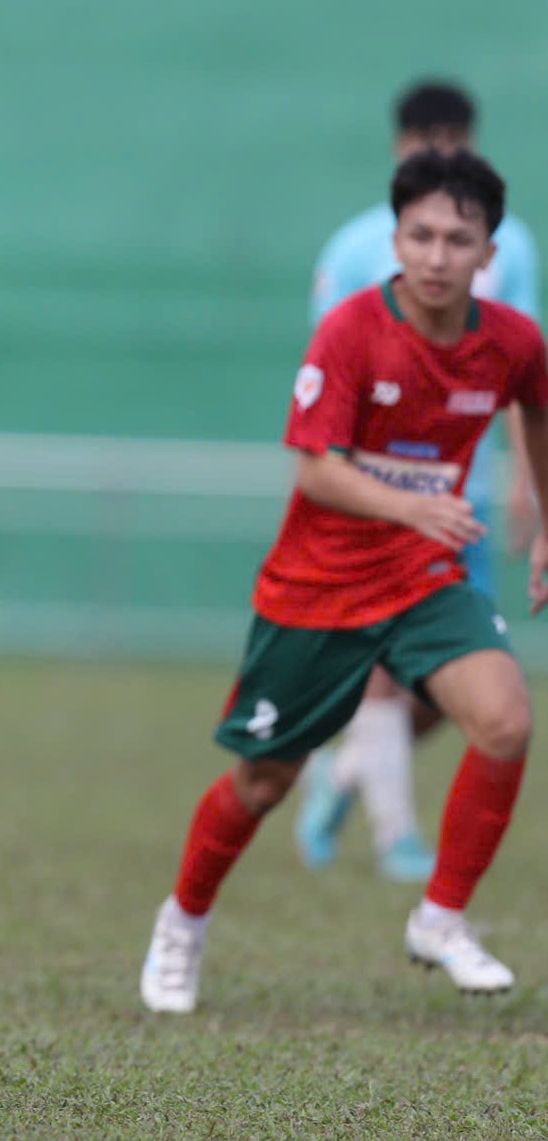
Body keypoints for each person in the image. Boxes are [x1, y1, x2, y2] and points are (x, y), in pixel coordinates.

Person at [140, 148, 546, 1013]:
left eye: (457, 240)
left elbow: (536, 403)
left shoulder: (510, 342)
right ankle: (183, 922)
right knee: (264, 781)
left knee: (506, 721)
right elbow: (314, 472)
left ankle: (441, 918)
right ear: (396, 238)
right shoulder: (353, 331)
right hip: (316, 588)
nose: (436, 256)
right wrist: (414, 506)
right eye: (420, 235)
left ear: (489, 253)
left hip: (426, 579)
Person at [293, 81, 541, 884]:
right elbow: (331, 381)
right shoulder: (359, 246)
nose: (438, 256)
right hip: (373, 509)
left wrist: (525, 487)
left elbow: (521, 371)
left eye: (457, 142)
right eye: (427, 143)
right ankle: (399, 838)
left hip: (457, 507)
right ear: (401, 150)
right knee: (378, 677)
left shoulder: (511, 246)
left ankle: (347, 771)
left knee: (451, 689)